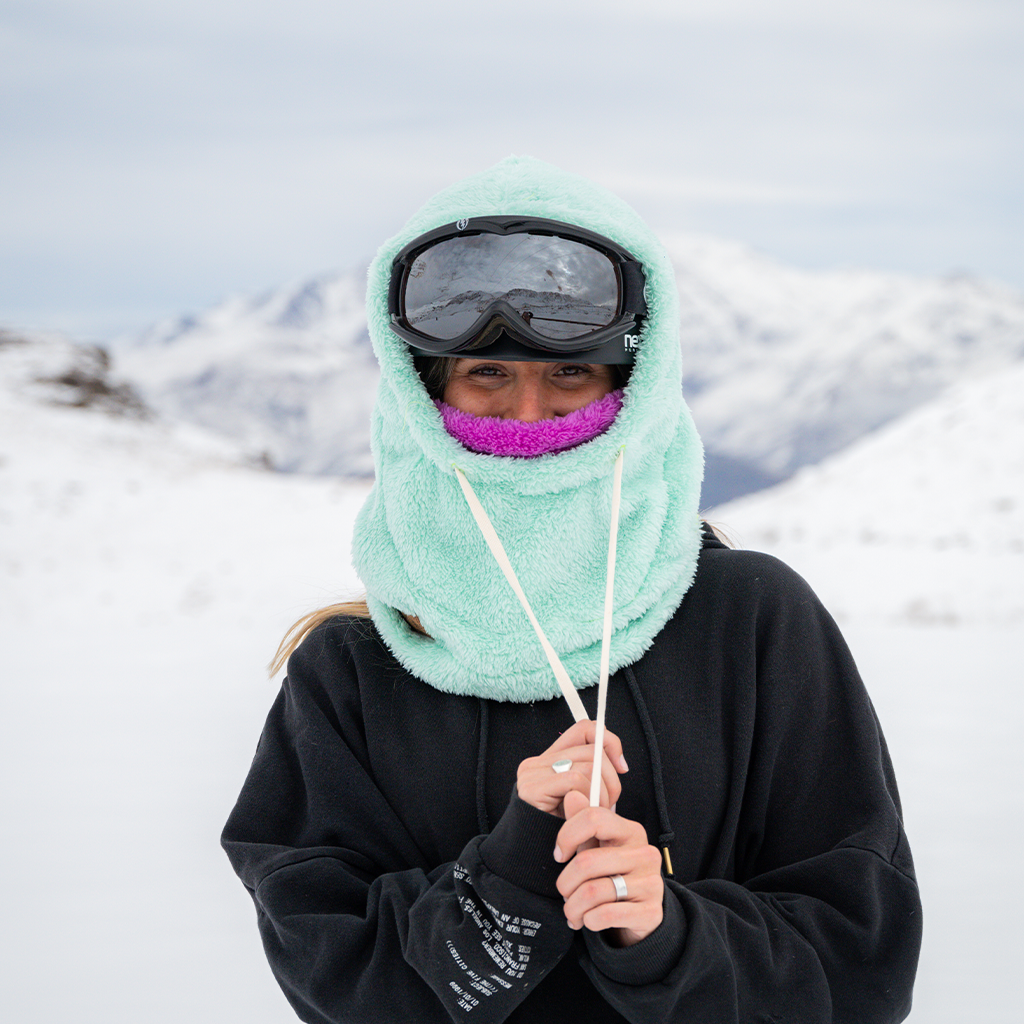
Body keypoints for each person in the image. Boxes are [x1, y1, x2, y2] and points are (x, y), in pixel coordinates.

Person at [222, 156, 922, 1023]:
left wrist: (671, 936)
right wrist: (508, 881)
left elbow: (862, 964)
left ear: (634, 391)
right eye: (486, 374)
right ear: (421, 394)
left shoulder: (751, 623)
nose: (526, 418)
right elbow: (333, 979)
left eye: (569, 375)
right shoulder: (354, 670)